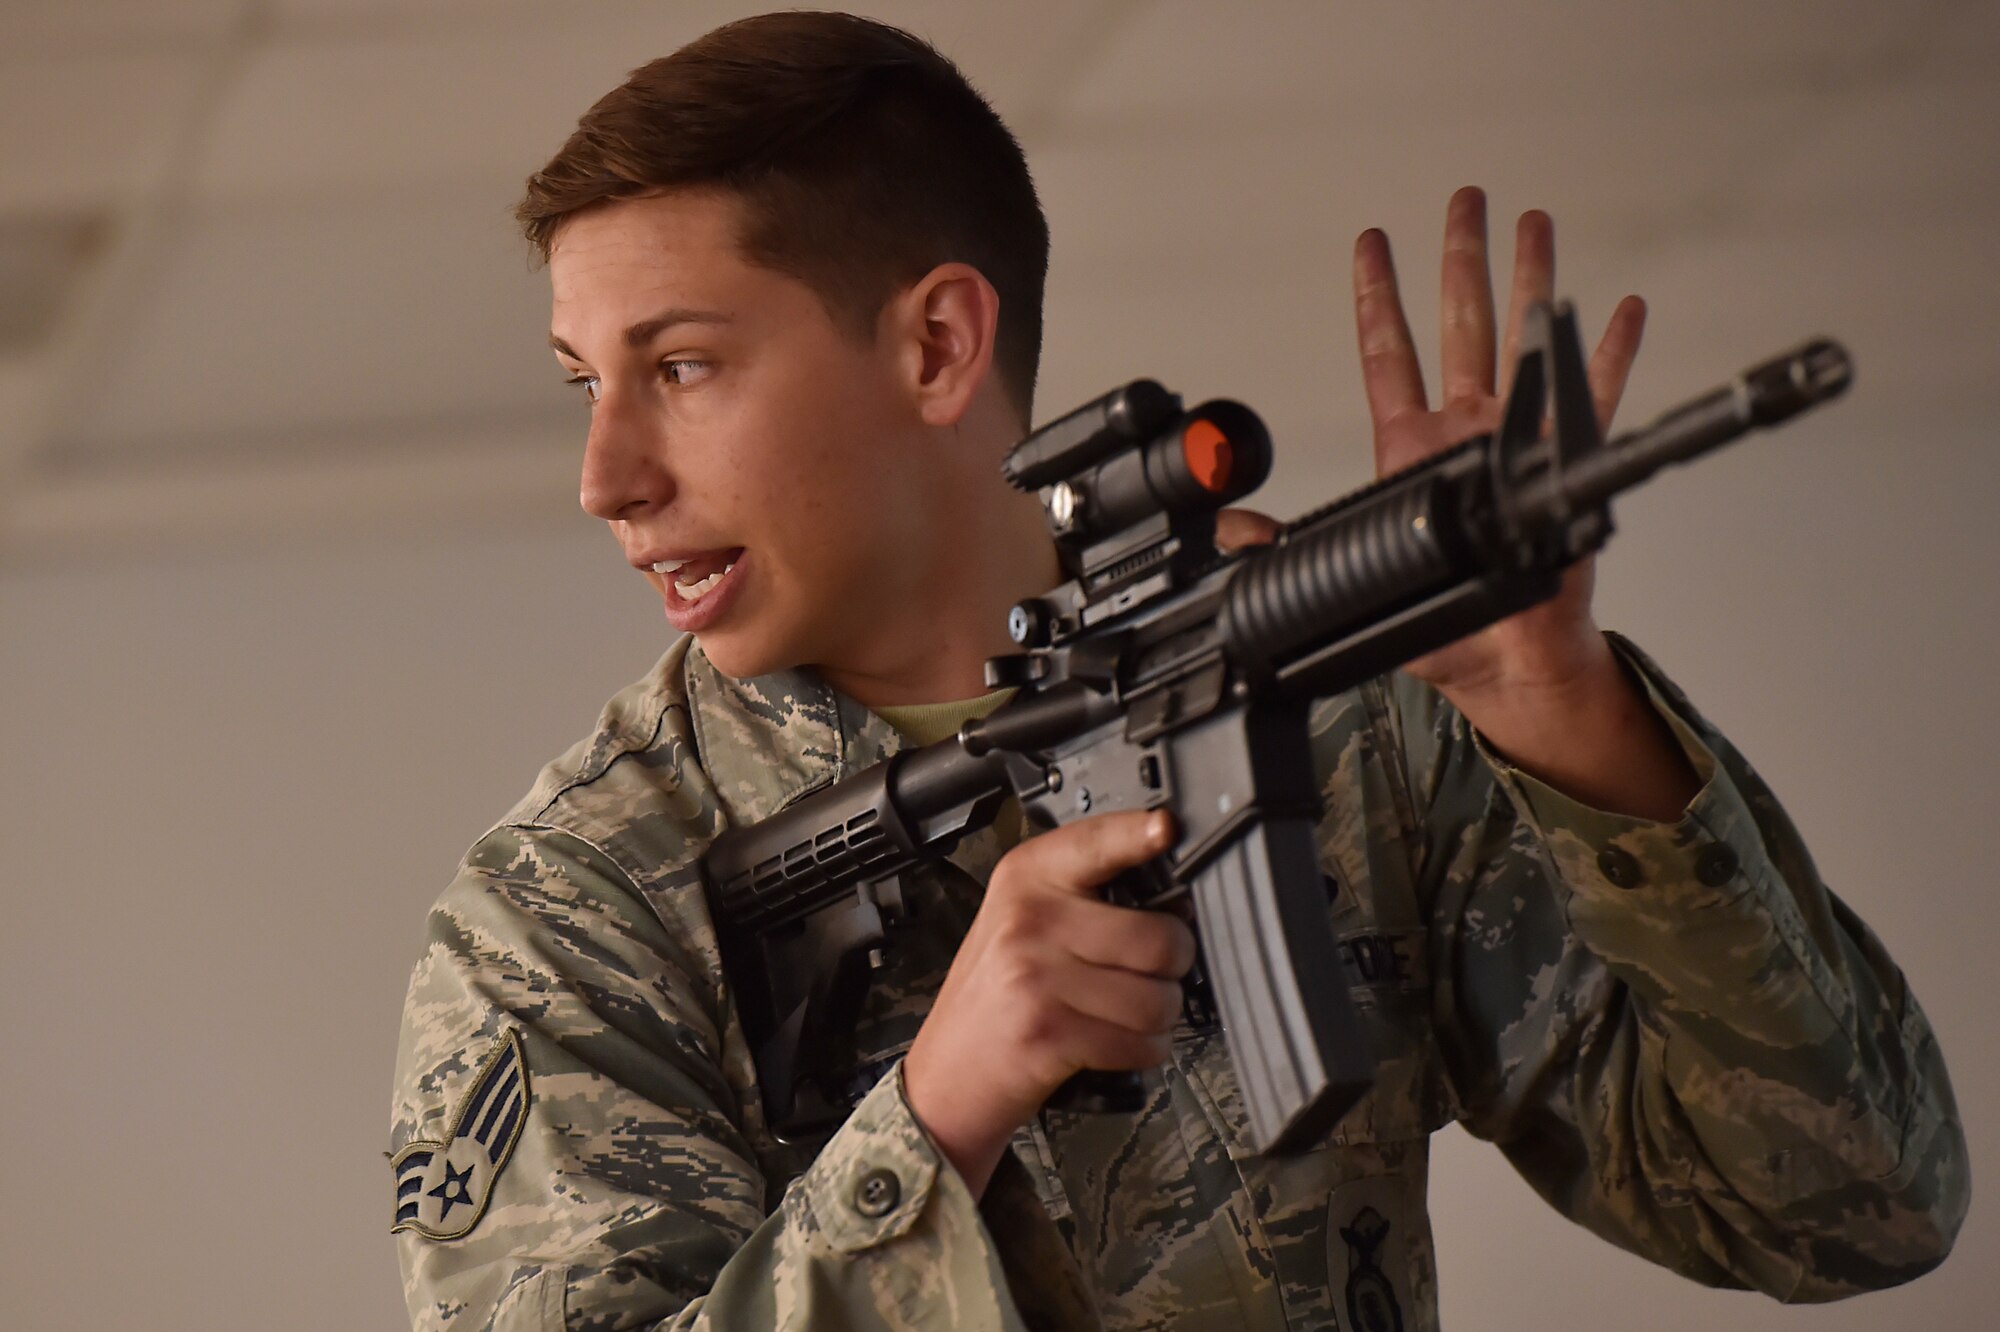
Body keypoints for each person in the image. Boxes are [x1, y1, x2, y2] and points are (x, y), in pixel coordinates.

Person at [387, 12, 1967, 1330]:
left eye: (679, 368)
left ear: (938, 346)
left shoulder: (1354, 733)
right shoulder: (573, 912)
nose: (605, 475)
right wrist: (935, 1119)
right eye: (589, 382)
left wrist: (1561, 719)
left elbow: (1852, 1206)